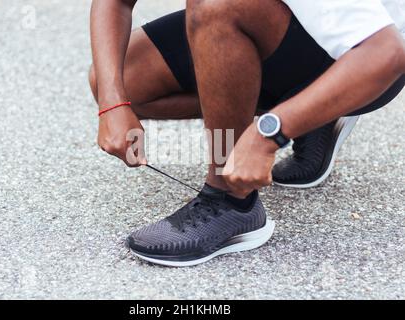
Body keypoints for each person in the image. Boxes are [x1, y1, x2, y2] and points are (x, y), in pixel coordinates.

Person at [89, 0, 405, 267]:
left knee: (215, 5)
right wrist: (112, 103)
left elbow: (385, 53)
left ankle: (230, 200)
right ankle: (311, 109)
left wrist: (266, 135)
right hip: (286, 25)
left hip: (365, 60)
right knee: (124, 79)